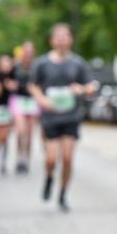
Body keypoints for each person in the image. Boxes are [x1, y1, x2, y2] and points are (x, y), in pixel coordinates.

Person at [29, 23, 97, 211]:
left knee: (67, 158)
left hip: (71, 117)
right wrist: (41, 99)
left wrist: (81, 89)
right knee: (51, 159)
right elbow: (33, 85)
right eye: (58, 37)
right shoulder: (42, 63)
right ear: (52, 41)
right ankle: (50, 177)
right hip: (50, 118)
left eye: (65, 36)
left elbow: (91, 87)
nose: (61, 40)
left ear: (70, 39)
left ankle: (62, 194)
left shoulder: (78, 63)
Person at [11, 41, 40, 173]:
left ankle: (26, 159)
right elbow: (6, 79)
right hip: (19, 100)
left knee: (29, 133)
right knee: (20, 130)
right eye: (26, 51)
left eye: (30, 52)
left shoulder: (37, 67)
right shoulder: (16, 66)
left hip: (32, 101)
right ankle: (19, 157)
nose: (28, 54)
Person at [0, 54, 16, 174]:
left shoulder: (14, 75)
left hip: (9, 108)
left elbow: (17, 89)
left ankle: (3, 162)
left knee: (5, 137)